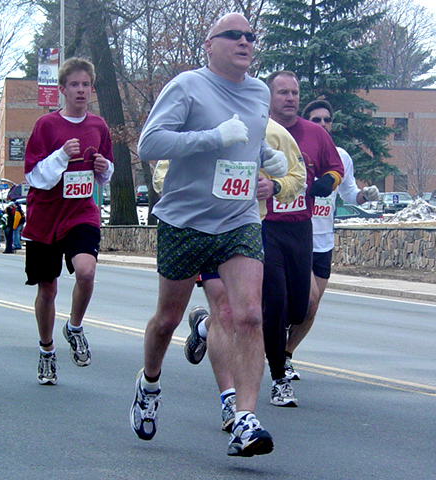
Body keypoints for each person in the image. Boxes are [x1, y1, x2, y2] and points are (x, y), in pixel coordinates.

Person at [130, 13, 288, 457]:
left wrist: (265, 156)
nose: (244, 42)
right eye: (233, 35)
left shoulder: (259, 92)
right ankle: (149, 384)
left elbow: (247, 141)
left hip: (238, 218)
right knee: (167, 320)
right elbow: (149, 144)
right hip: (185, 220)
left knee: (249, 315)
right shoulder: (187, 86)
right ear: (209, 44)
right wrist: (212, 137)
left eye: (250, 36)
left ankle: (245, 418)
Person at [183, 118, 306, 432]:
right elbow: (162, 176)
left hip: (248, 231)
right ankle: (230, 400)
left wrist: (274, 186)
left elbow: (298, 177)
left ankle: (204, 328)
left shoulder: (273, 132)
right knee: (225, 311)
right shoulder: (199, 121)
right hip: (206, 227)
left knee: (249, 315)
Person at [22, 57, 114, 386]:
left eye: (85, 84)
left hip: (81, 213)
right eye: (74, 84)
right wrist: (61, 155)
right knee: (48, 289)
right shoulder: (46, 126)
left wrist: (104, 168)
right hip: (45, 217)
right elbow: (34, 176)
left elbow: (106, 171)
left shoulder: (98, 126)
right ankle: (46, 350)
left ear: (92, 89)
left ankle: (74, 327)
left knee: (86, 272)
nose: (80, 90)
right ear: (62, 89)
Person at [260, 71, 344, 407]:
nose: (290, 98)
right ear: (269, 97)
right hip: (265, 226)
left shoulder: (315, 134)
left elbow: (335, 168)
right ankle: (279, 378)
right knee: (275, 303)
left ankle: (209, 327)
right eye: (283, 92)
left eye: (294, 93)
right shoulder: (260, 130)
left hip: (301, 227)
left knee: (299, 308)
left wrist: (328, 181)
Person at [283, 99, 380, 381]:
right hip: (295, 236)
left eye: (327, 119)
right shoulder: (294, 150)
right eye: (317, 120)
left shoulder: (341, 157)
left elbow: (349, 194)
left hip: (324, 242)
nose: (323, 124)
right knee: (303, 299)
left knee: (311, 308)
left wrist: (365, 195)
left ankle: (286, 355)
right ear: (306, 122)